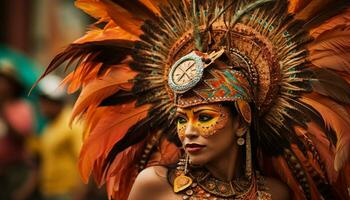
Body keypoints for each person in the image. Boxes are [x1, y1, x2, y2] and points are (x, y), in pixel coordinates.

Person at [39, 0, 350, 199]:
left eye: (204, 117)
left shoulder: (274, 193)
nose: (188, 131)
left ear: (242, 123)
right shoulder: (154, 184)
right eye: (181, 119)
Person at [37, 75, 86, 200]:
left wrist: (79, 194)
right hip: (49, 191)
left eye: (46, 101)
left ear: (56, 102)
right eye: (41, 100)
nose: (42, 105)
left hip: (67, 193)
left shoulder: (72, 123)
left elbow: (84, 162)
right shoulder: (49, 126)